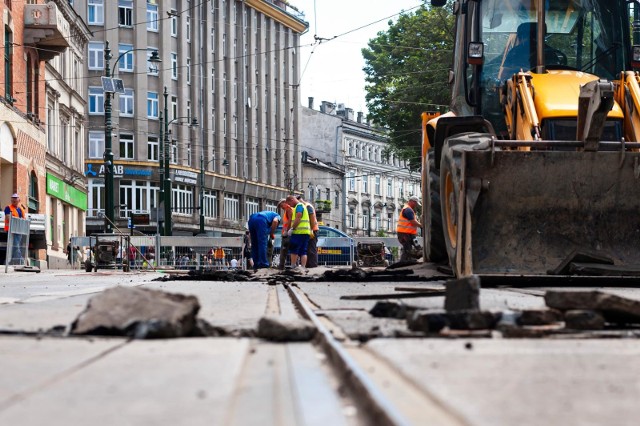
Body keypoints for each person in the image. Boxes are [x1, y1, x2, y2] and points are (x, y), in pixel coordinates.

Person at [286, 196, 312, 269]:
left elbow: (298, 218)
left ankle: (293, 266)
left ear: (292, 200)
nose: (290, 206)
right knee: (303, 251)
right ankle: (303, 267)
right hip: (306, 232)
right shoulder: (303, 206)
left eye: (290, 203)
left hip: (298, 232)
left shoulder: (299, 206)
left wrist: (292, 229)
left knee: (294, 249)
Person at [397, 195, 423, 262]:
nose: (416, 205)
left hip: (409, 234)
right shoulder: (408, 210)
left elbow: (412, 222)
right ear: (411, 202)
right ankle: (403, 263)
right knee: (407, 250)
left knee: (417, 247)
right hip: (404, 234)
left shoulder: (409, 209)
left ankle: (409, 261)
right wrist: (421, 226)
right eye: (415, 203)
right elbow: (413, 222)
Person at [297, 195, 319, 268]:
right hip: (310, 230)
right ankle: (309, 265)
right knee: (308, 248)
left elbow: (312, 218)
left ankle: (312, 265)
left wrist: (311, 230)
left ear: (300, 200)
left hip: (312, 230)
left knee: (311, 249)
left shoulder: (307, 206)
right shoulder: (306, 206)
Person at [4, 193, 25, 264]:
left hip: (19, 230)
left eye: (15, 199)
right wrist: (16, 219)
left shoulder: (20, 209)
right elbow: (8, 217)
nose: (14, 201)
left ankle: (12, 261)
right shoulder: (8, 208)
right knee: (16, 246)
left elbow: (23, 219)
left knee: (16, 246)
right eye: (13, 199)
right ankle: (20, 261)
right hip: (11, 230)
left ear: (19, 200)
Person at [277, 198, 293, 269]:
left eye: (281, 205)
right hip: (286, 233)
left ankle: (281, 266)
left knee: (283, 250)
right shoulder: (286, 210)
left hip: (287, 234)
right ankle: (282, 265)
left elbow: (290, 219)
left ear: (285, 202)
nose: (281, 207)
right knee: (287, 250)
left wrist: (287, 231)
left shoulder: (288, 209)